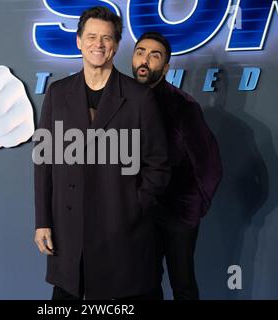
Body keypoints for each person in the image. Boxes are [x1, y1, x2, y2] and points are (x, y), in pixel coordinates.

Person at [33, 7, 171, 300]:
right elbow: (44, 163)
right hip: (69, 234)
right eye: (92, 36)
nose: (99, 44)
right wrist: (43, 220)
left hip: (121, 235)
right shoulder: (58, 93)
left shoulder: (139, 97)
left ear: (116, 45)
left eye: (106, 38)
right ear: (79, 41)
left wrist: (134, 207)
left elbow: (158, 165)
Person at [132, 32, 223, 300]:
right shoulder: (119, 101)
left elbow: (208, 166)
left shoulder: (183, 106)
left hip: (175, 213)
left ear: (166, 67)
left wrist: (189, 211)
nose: (145, 60)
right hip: (136, 213)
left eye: (154, 55)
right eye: (140, 52)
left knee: (182, 285)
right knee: (142, 286)